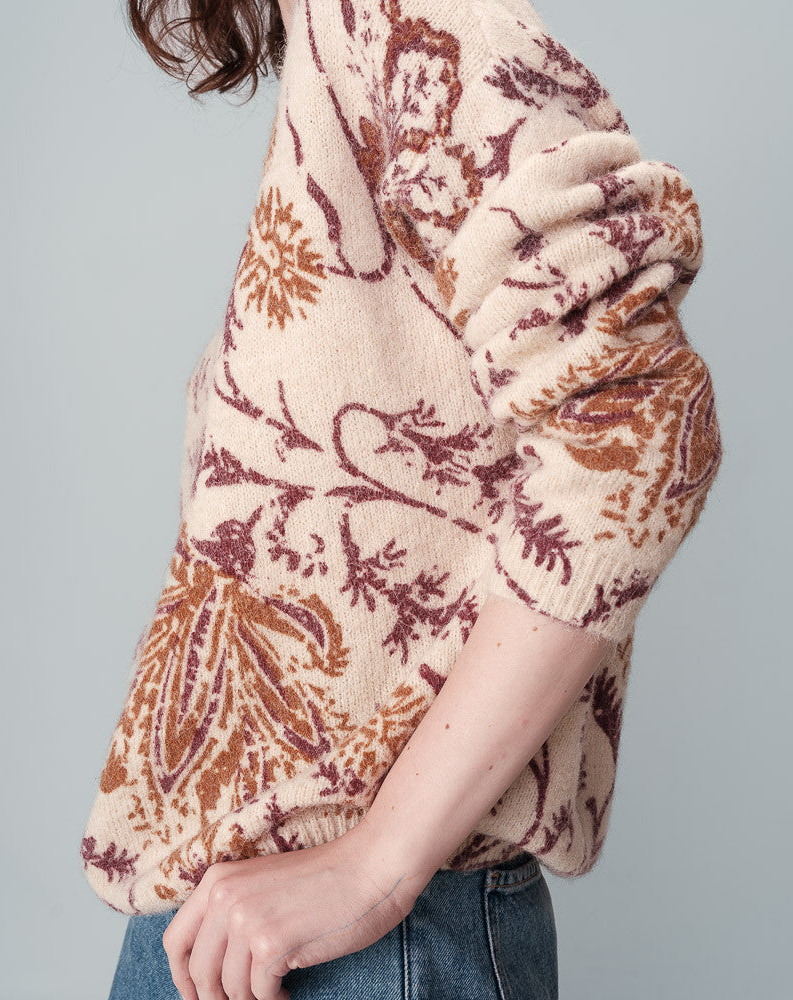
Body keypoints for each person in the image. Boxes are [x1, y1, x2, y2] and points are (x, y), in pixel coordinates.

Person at [80, 1, 723, 998]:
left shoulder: (400, 16)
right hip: (233, 924)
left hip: (366, 951)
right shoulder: (337, 43)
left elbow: (638, 423)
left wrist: (376, 863)